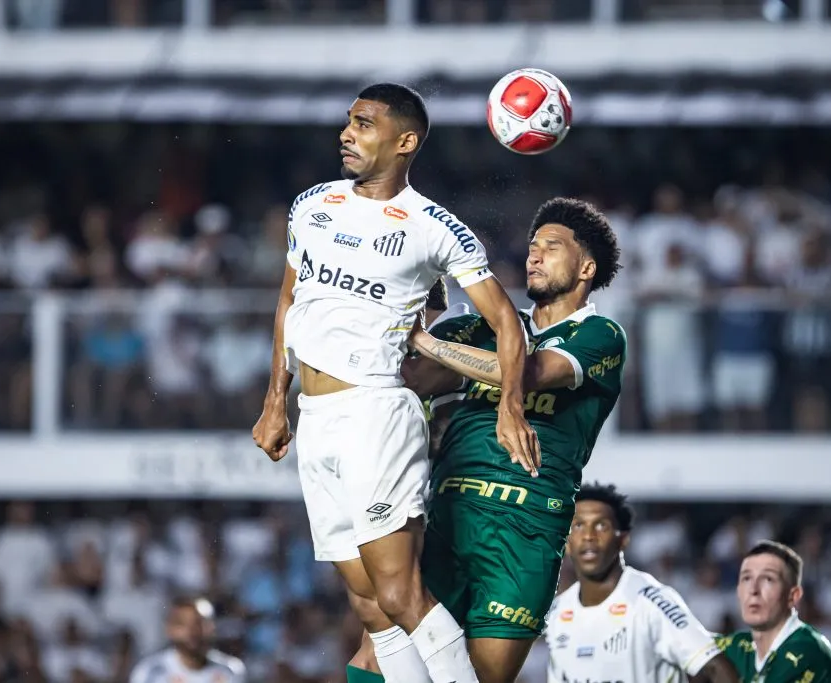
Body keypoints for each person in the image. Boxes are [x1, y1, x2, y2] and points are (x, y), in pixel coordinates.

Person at [252, 83, 537, 683]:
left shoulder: (435, 227)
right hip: (316, 416)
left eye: (363, 124)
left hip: (375, 412)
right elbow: (287, 302)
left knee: (400, 593)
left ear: (405, 142)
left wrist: (510, 406)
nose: (346, 134)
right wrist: (275, 399)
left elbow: (508, 323)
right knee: (369, 605)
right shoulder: (311, 204)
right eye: (348, 122)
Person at [350, 196, 629, 683]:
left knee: (477, 678)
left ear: (587, 267)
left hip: (527, 528)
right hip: (450, 514)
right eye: (532, 245)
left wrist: (429, 341)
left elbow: (530, 372)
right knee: (376, 655)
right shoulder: (483, 325)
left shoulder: (601, 335)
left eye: (552, 246)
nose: (534, 255)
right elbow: (413, 377)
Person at [545, 484, 741, 683]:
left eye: (601, 525)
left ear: (623, 539)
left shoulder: (652, 600)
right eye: (578, 526)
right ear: (567, 542)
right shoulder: (558, 612)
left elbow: (716, 667)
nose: (588, 536)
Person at [720, 540, 831, 682]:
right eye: (747, 578)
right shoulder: (743, 644)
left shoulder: (807, 650)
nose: (754, 590)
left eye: (768, 580)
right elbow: (699, 647)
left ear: (793, 596)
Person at [129, 597, 245, 683]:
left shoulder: (230, 671)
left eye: (199, 623)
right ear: (170, 629)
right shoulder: (151, 672)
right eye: (183, 624)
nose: (192, 632)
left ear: (212, 627)